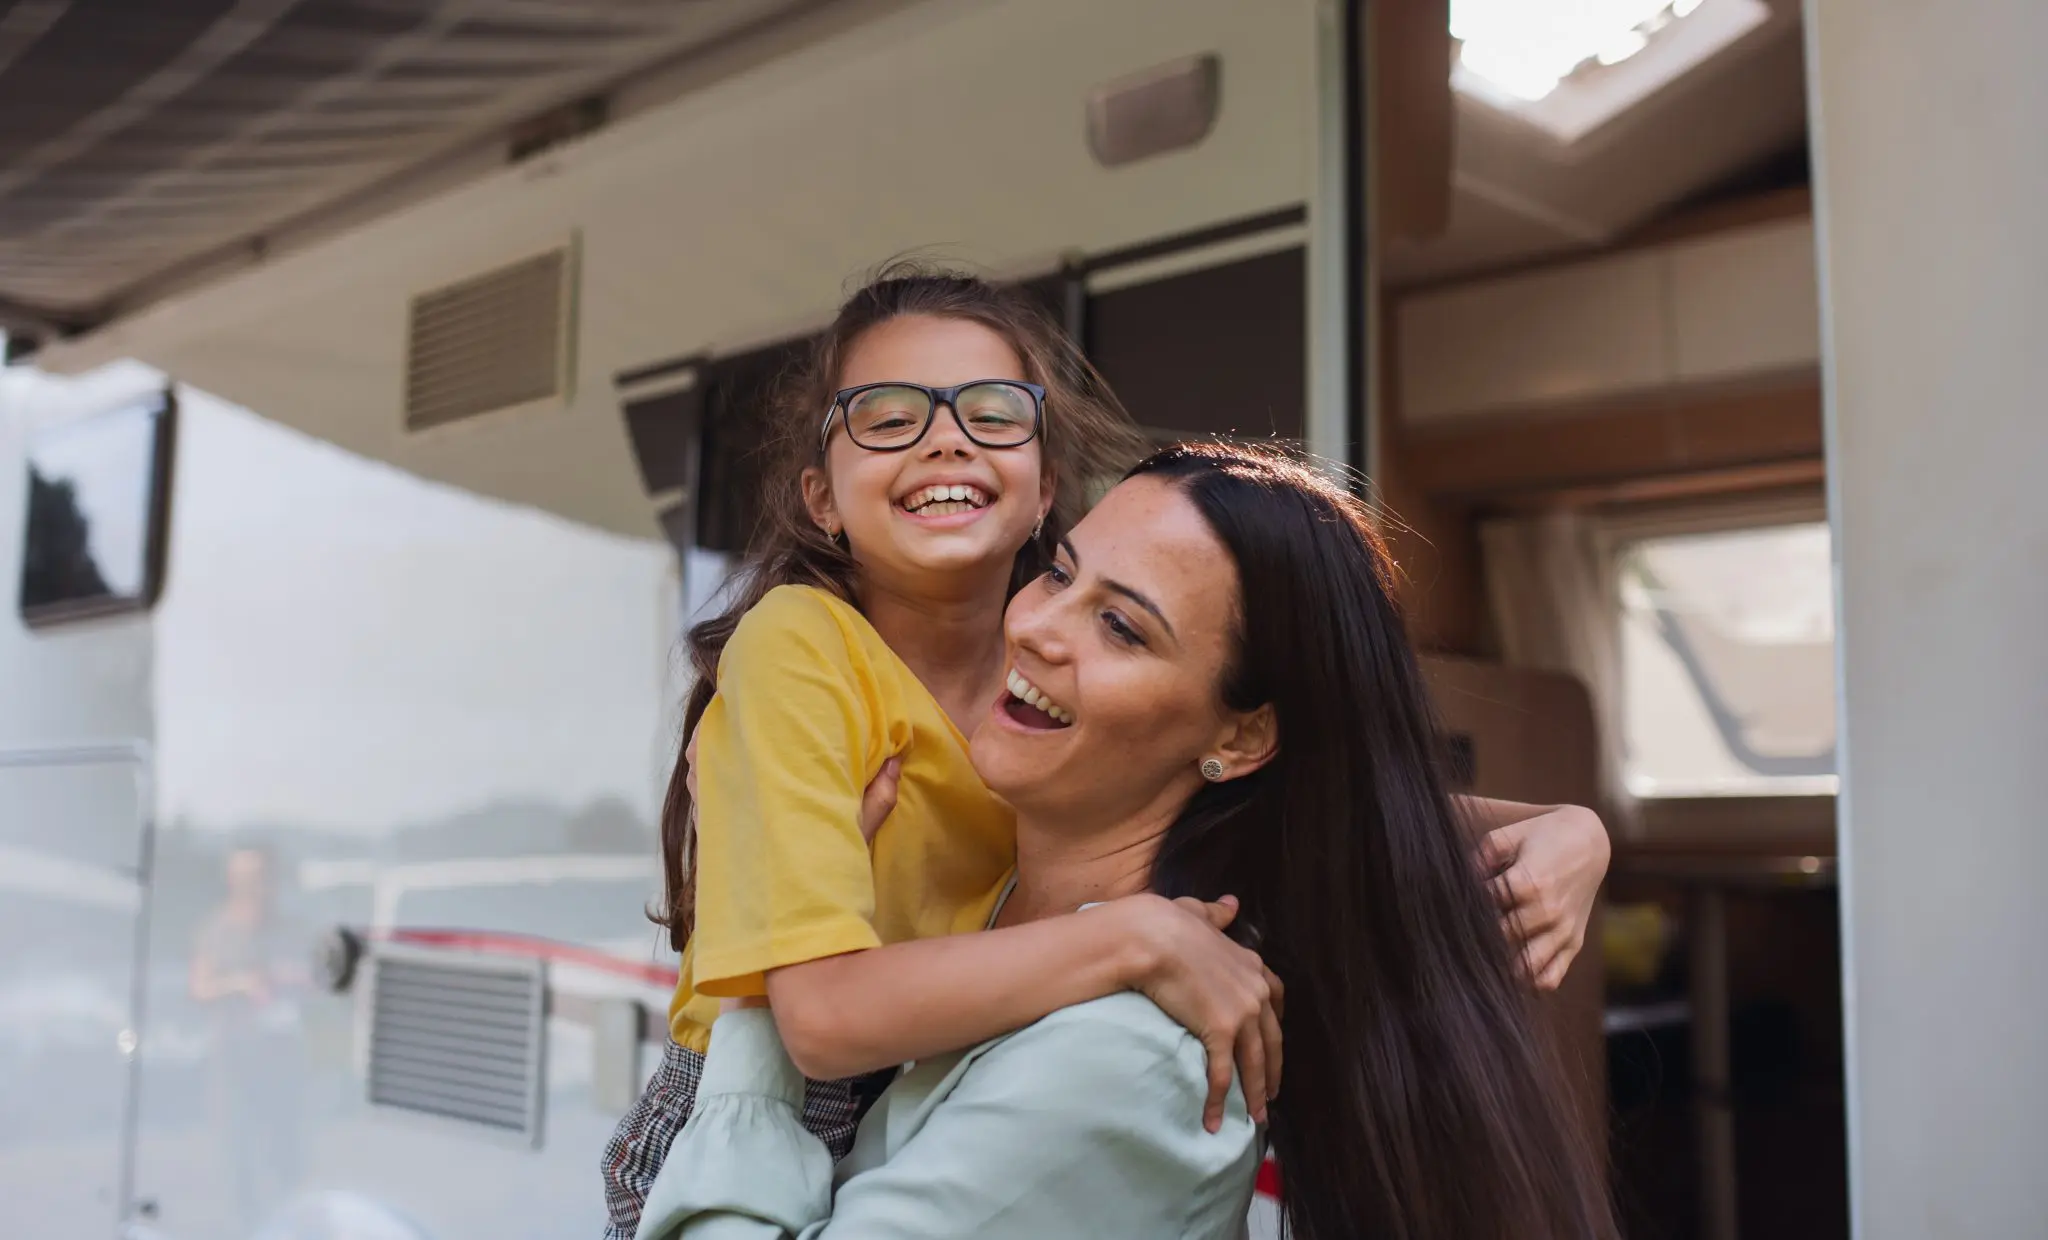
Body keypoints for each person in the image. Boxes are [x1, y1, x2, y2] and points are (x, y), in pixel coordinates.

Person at [602, 267, 1612, 1237]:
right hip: (731, 1100)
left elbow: (1341, 792)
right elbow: (816, 1017)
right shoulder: (805, 649)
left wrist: (1569, 829)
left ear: (1042, 490)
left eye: (989, 413)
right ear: (822, 497)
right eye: (887, 417)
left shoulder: (1021, 715)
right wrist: (1130, 935)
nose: (944, 441)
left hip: (833, 1083)